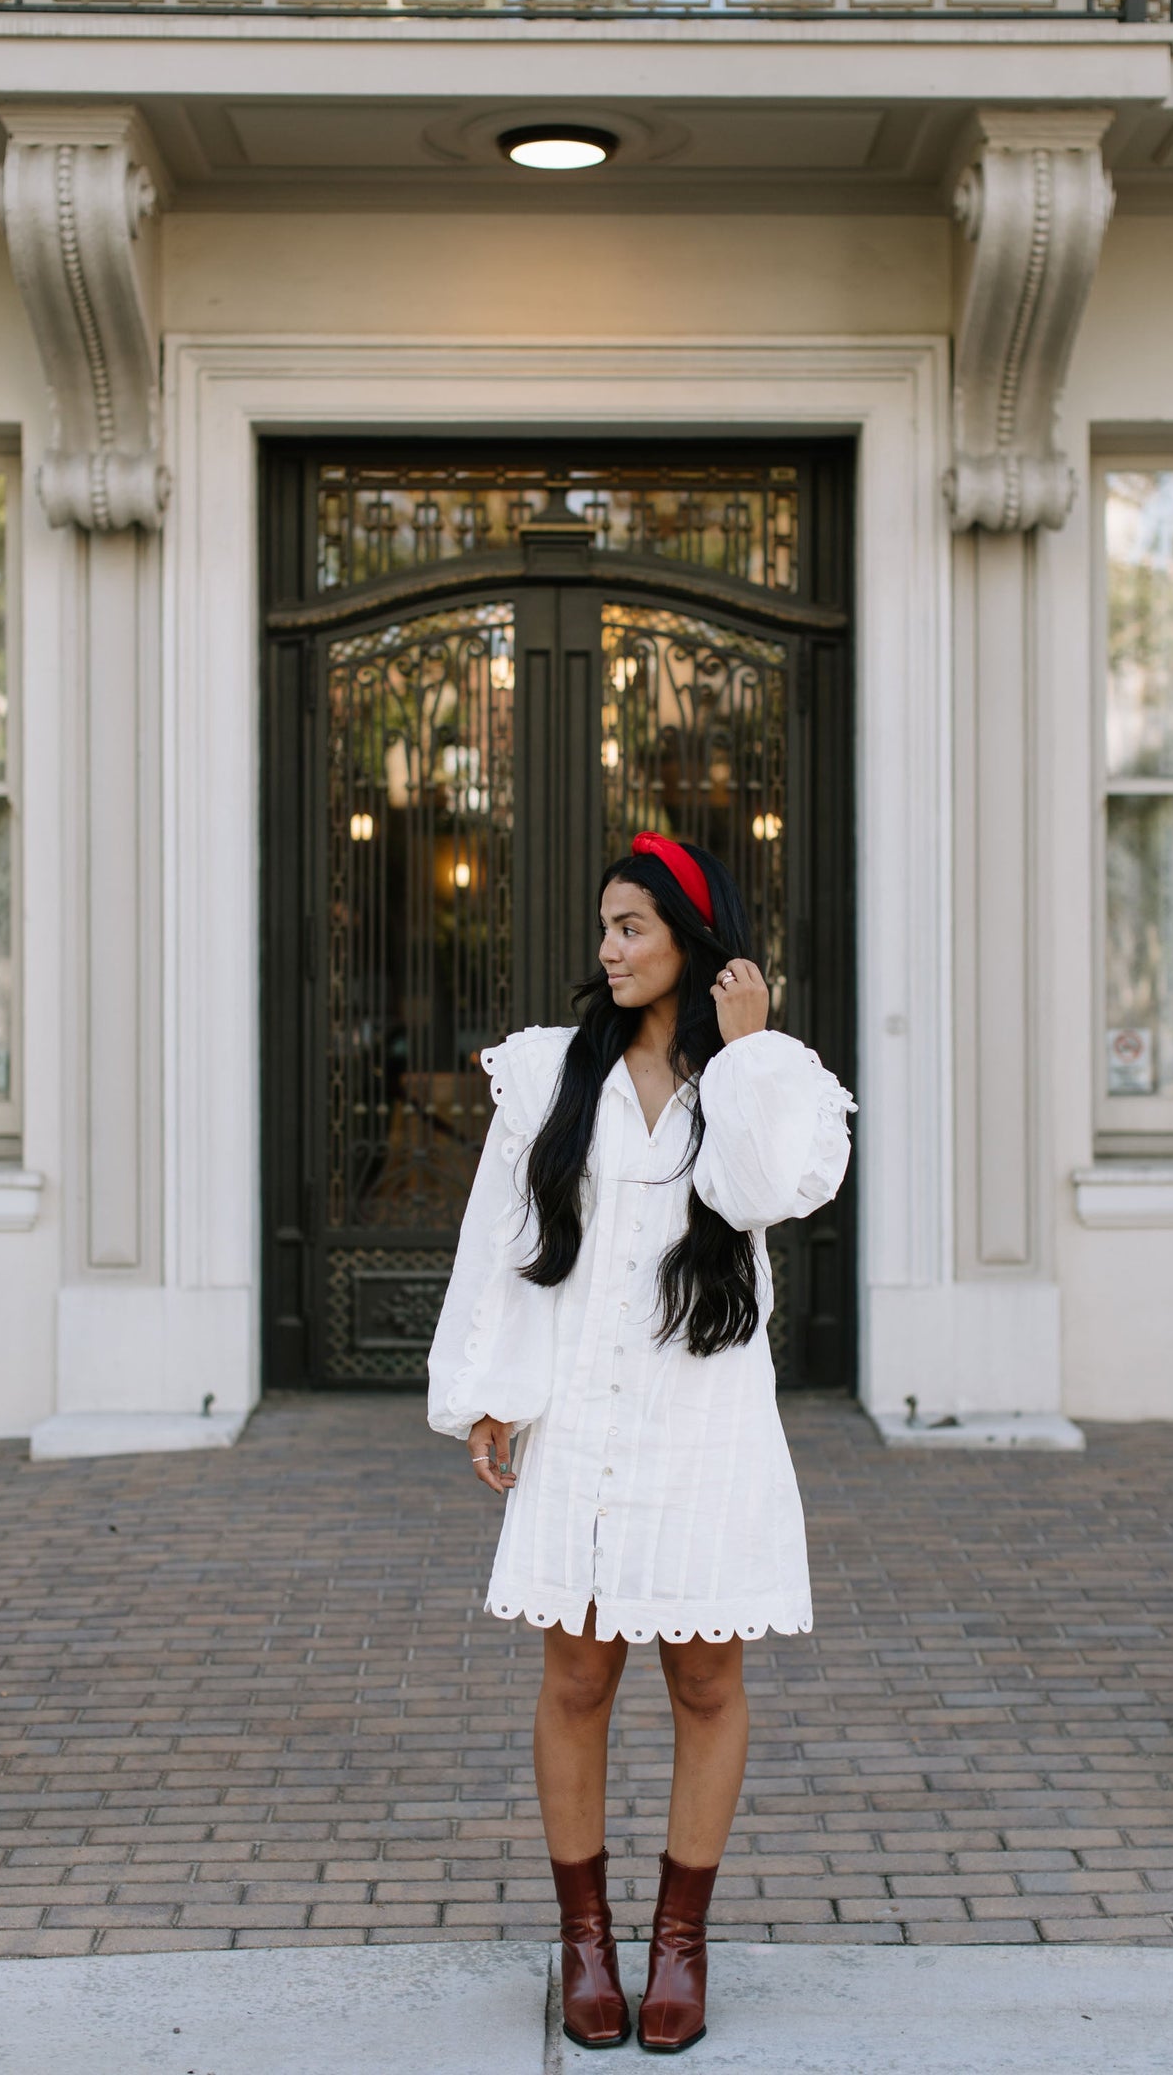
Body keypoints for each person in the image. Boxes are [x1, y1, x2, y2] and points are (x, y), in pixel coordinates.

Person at [428, 830, 857, 2054]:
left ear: (688, 936)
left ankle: (680, 1939)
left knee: (706, 1677)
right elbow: (504, 1234)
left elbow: (777, 1188)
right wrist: (493, 1391)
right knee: (576, 1673)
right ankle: (584, 1939)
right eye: (605, 926)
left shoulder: (755, 1072)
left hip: (706, 1412)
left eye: (632, 926)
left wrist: (755, 1044)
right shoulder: (555, 1071)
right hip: (588, 1409)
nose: (608, 948)